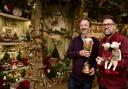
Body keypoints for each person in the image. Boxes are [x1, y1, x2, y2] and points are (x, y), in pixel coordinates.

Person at [96, 15, 128, 89]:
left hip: (115, 85)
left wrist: (109, 62)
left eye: (109, 24)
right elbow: (101, 58)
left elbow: (126, 62)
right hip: (102, 82)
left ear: (115, 27)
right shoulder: (102, 41)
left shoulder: (123, 40)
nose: (106, 27)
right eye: (104, 25)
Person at [66, 18, 99, 89]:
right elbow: (68, 54)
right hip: (74, 76)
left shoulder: (95, 41)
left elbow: (98, 57)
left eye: (85, 25)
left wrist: (94, 67)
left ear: (90, 27)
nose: (83, 27)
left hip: (88, 77)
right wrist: (79, 53)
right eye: (81, 25)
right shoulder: (75, 40)